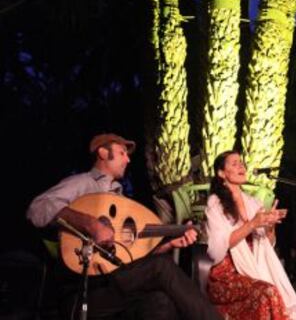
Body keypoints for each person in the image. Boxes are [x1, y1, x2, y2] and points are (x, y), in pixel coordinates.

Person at [27, 133, 222, 320]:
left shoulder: (120, 203)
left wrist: (170, 244)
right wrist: (91, 224)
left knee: (160, 303)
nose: (128, 160)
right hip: (84, 289)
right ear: (103, 153)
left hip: (115, 286)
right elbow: (36, 209)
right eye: (122, 153)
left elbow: (132, 259)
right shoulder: (82, 183)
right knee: (162, 265)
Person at [204, 150, 296, 320]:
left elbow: (268, 244)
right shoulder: (215, 204)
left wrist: (271, 226)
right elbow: (216, 250)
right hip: (226, 276)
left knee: (274, 291)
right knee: (268, 292)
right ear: (221, 173)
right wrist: (252, 224)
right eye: (234, 164)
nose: (241, 166)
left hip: (253, 271)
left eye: (241, 162)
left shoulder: (252, 202)